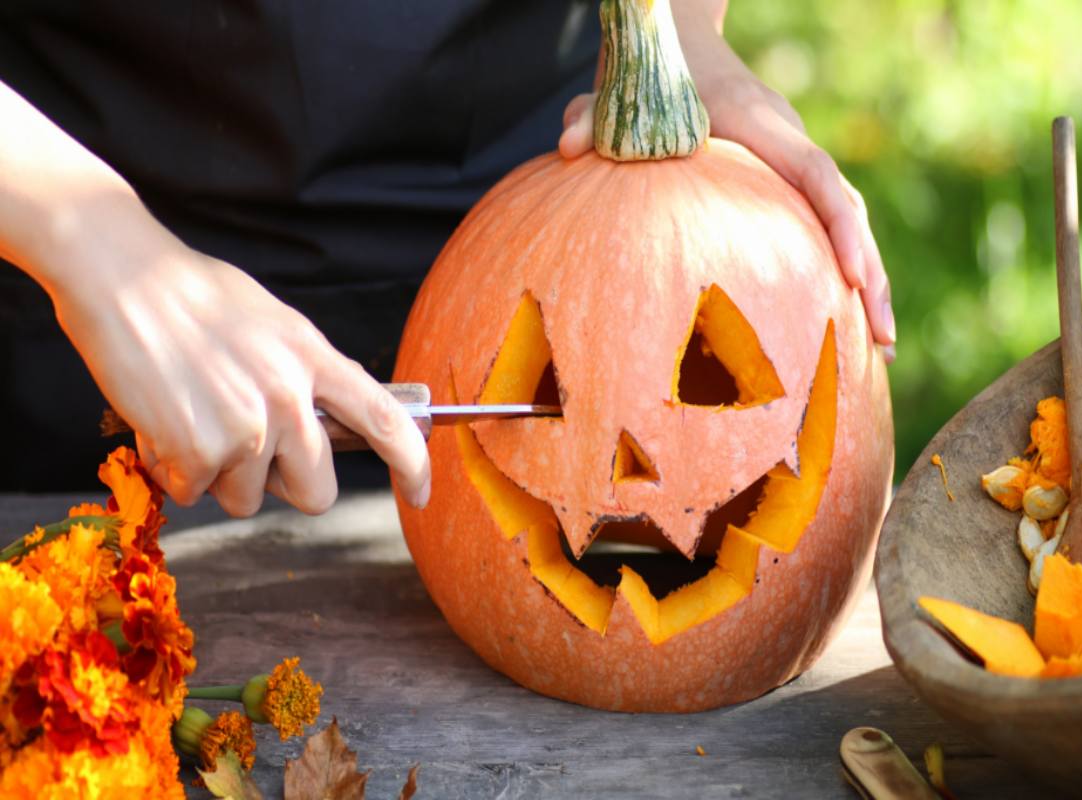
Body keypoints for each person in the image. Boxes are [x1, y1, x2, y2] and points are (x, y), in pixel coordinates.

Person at [0, 1, 894, 518]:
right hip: (78, 283)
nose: (636, 461)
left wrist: (683, 35)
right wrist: (90, 239)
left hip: (537, 200)